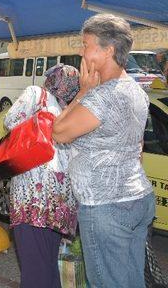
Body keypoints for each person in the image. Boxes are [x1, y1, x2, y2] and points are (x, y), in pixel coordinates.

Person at [52, 14, 155, 288]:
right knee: (132, 280)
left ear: (108, 50)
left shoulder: (102, 96)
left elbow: (58, 131)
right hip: (136, 196)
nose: (81, 51)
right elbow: (139, 147)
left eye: (86, 45)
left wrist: (83, 91)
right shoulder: (135, 90)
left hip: (105, 206)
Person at [4, 64, 80, 288]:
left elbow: (10, 121)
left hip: (32, 197)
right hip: (62, 199)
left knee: (34, 268)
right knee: (48, 263)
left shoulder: (36, 94)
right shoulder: (74, 110)